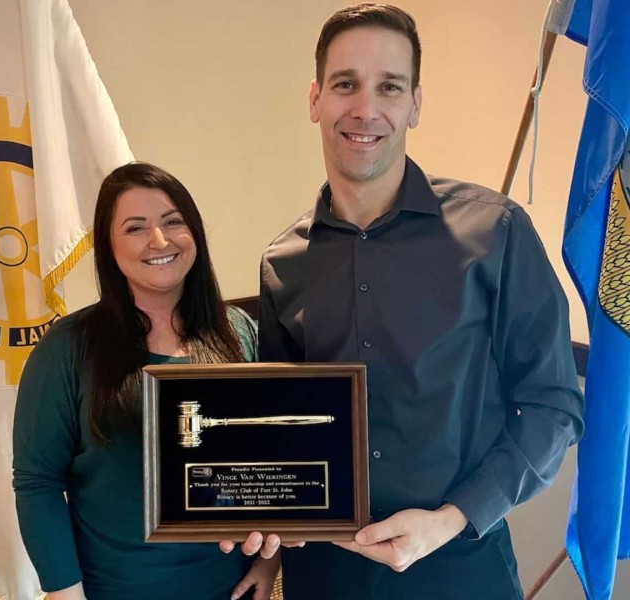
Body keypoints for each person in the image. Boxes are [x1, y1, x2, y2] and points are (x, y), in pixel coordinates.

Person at [224, 4, 585, 599]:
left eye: (389, 87)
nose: (366, 109)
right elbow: (281, 428)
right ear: (315, 99)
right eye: (346, 84)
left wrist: (453, 518)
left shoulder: (496, 233)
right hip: (325, 575)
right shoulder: (281, 262)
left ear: (415, 103)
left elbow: (553, 407)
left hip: (461, 564)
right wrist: (264, 530)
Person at [13, 162, 278, 600]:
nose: (159, 241)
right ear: (109, 246)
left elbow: (275, 460)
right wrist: (64, 593)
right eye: (135, 228)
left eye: (173, 222)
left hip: (231, 588)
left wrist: (271, 561)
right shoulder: (67, 348)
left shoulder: (239, 332)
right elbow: (37, 483)